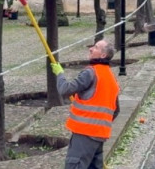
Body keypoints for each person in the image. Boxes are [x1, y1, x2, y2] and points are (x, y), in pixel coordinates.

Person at [50, 40, 121, 168]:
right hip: (100, 136)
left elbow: (65, 89)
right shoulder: (112, 79)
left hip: (84, 134)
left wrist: (59, 74)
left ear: (103, 55)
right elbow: (115, 110)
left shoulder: (90, 72)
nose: (91, 49)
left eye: (96, 47)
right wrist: (99, 124)